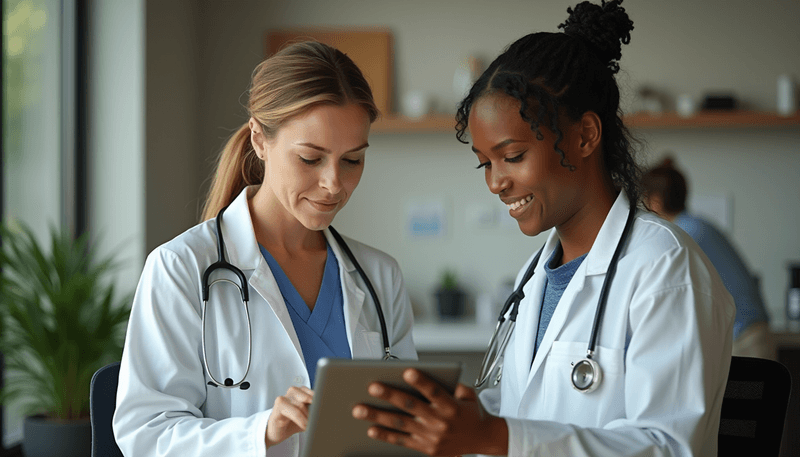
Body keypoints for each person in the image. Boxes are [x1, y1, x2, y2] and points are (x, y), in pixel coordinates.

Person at [351, 1, 734, 455]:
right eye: (485, 164)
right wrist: (466, 416)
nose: (496, 183)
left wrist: (493, 435)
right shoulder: (534, 277)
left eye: (512, 156)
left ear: (585, 135)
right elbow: (523, 412)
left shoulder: (664, 268)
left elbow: (669, 447)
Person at [112, 41, 417, 456]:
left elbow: (403, 425)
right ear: (259, 139)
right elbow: (147, 435)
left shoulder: (379, 276)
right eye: (310, 158)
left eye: (352, 161)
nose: (333, 184)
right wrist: (261, 433)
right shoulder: (180, 267)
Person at [642, 156, 772, 359]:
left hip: (743, 337)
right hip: (748, 330)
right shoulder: (696, 226)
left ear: (655, 201)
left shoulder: (682, 236)